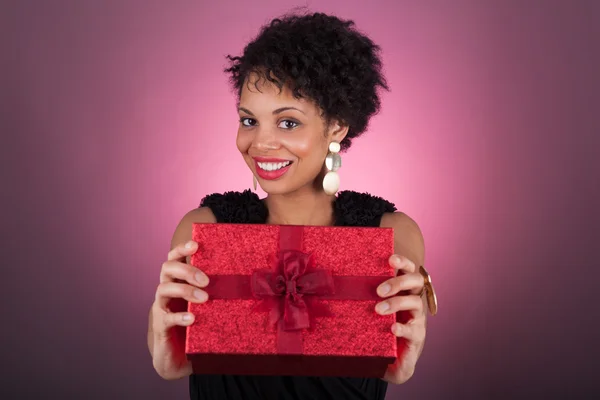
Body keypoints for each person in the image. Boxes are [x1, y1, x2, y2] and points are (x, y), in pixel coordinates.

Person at [147, 11, 437, 400]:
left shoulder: (390, 236)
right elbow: (173, 356)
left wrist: (397, 364)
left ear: (336, 125)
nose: (260, 143)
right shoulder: (204, 231)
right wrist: (170, 360)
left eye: (287, 123)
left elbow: (388, 364)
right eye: (249, 121)